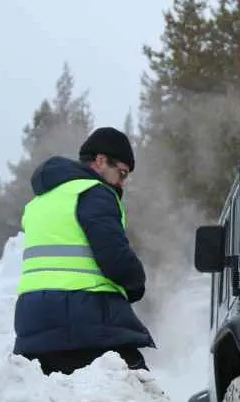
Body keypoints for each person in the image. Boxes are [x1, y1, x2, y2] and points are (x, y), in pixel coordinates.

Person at [12, 127, 155, 375]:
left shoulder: (38, 202)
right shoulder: (94, 193)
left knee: (54, 394)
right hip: (83, 317)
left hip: (32, 322)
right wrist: (136, 283)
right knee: (135, 384)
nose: (122, 183)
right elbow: (115, 258)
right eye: (121, 173)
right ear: (100, 160)